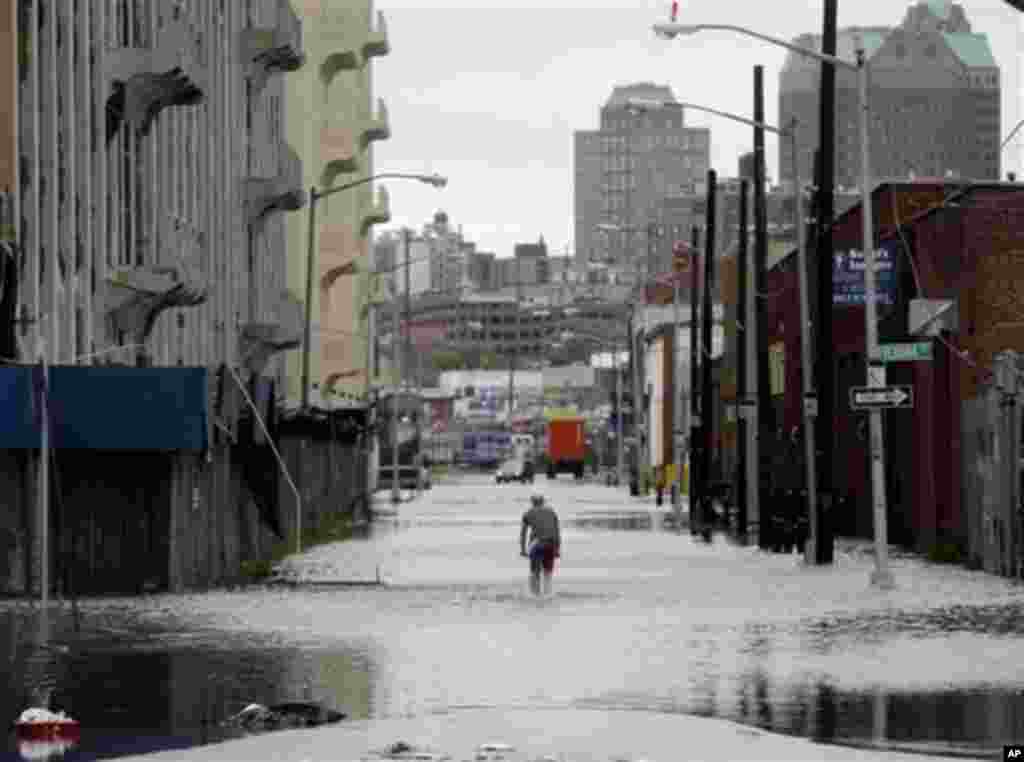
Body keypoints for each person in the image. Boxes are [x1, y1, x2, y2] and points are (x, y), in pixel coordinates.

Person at [519, 492, 561, 596]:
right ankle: (548, 594)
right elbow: (557, 532)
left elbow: (523, 533)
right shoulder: (552, 512)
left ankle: (535, 595)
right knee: (548, 573)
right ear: (543, 502)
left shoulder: (528, 513)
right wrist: (557, 549)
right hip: (551, 544)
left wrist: (523, 550)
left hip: (537, 544)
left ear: (532, 502)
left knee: (535, 572)